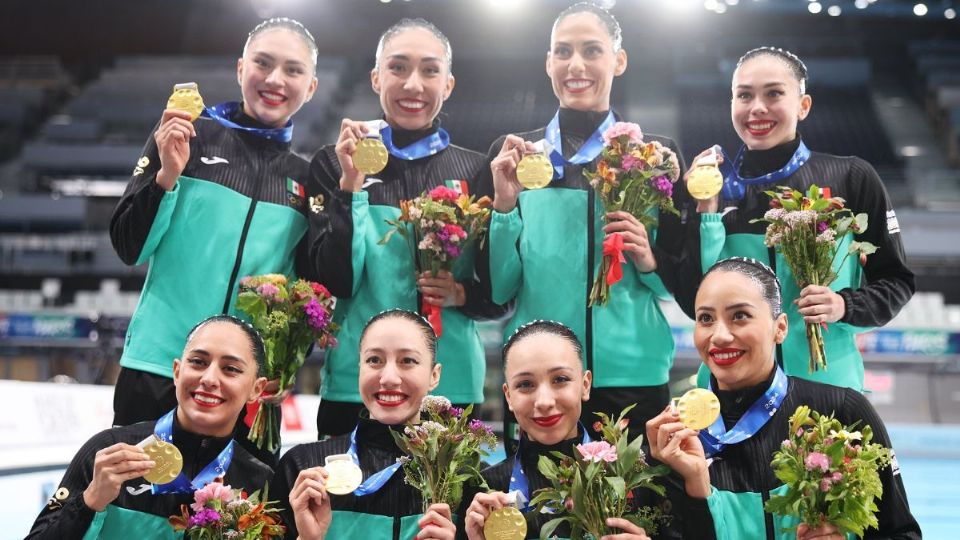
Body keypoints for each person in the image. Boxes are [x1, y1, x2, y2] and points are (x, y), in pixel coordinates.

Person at [475, 2, 689, 453]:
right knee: (543, 518)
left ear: (619, 60)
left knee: (634, 519)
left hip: (634, 377)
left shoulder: (656, 157)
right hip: (544, 381)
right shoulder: (516, 155)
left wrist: (649, 260)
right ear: (548, 62)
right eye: (563, 52)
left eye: (592, 51)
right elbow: (499, 290)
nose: (576, 65)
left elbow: (677, 289)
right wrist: (505, 205)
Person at [109, 18, 320, 444]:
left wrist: (283, 363)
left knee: (237, 512)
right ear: (241, 68)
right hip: (158, 367)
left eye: (293, 70)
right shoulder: (187, 135)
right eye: (263, 63)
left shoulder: (307, 178)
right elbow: (129, 245)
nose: (275, 79)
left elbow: (303, 293)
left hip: (244, 385)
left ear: (311, 87)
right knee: (133, 505)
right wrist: (167, 175)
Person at [306, 18, 503, 438]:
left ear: (448, 85)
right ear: (377, 78)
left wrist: (463, 293)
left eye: (430, 70)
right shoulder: (333, 161)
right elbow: (336, 281)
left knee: (442, 505)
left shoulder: (474, 170)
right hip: (356, 386)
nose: (414, 84)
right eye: (398, 68)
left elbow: (502, 295)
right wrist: (350, 187)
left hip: (449, 389)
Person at [678, 47, 915, 391]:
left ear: (803, 106)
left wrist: (843, 305)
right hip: (731, 394)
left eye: (773, 93)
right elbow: (690, 299)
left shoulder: (851, 177)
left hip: (829, 389)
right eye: (744, 95)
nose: (757, 107)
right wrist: (706, 214)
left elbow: (896, 282)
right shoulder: (711, 187)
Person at [646, 257, 921, 539]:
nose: (719, 335)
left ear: (780, 328)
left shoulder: (841, 413)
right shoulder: (672, 440)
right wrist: (696, 488)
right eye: (705, 318)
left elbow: (903, 533)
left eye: (739, 315)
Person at [460, 320, 714, 540]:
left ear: (585, 384)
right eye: (525, 384)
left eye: (560, 379)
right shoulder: (486, 491)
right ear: (509, 397)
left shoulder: (639, 474)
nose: (545, 401)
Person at [26, 315, 272, 539]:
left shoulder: (260, 483)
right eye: (198, 362)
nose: (208, 379)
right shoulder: (109, 452)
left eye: (230, 369)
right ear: (177, 372)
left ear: (256, 389)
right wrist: (90, 501)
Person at [272, 309, 458, 540]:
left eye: (408, 361)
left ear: (434, 375)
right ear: (360, 368)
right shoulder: (304, 469)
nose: (389, 378)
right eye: (374, 360)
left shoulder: (461, 472)